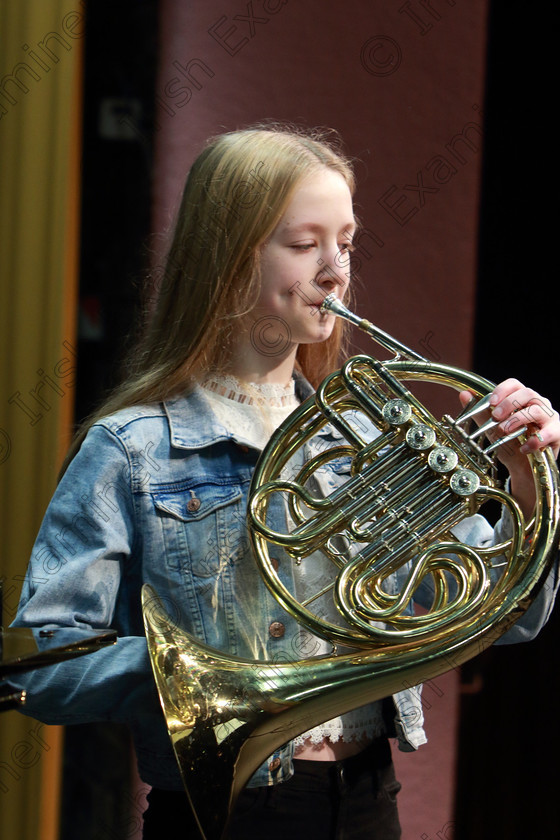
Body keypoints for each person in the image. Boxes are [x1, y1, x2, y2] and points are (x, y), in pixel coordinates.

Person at [11, 126, 560, 840]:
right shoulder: (134, 448)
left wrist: (522, 484)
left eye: (348, 243)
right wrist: (189, 682)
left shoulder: (370, 433)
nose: (335, 271)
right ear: (229, 257)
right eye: (305, 245)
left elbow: (511, 619)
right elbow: (43, 664)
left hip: (367, 800)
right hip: (228, 813)